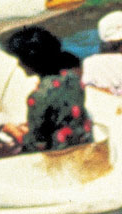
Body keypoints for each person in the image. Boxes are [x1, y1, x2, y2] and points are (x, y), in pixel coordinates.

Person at [6, 26, 95, 155]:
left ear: (31, 61)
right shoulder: (73, 79)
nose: (19, 64)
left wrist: (12, 131)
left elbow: (37, 144)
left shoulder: (38, 97)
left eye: (20, 59)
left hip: (59, 156)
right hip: (82, 145)